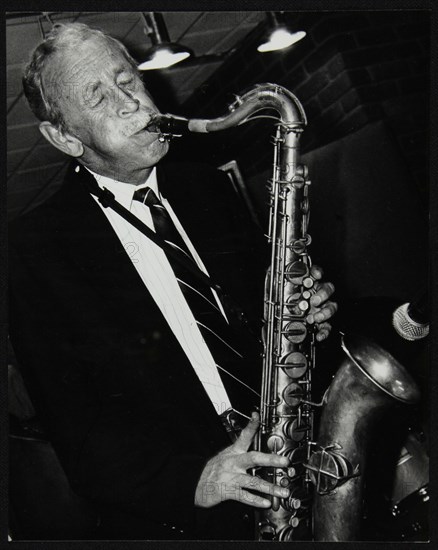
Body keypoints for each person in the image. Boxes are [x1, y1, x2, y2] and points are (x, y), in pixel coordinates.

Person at [8, 23, 337, 540]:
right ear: (64, 137)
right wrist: (195, 479)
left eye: (128, 81)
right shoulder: (35, 251)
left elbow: (259, 319)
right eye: (98, 97)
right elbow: (78, 437)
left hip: (285, 461)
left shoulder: (207, 185)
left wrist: (304, 320)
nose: (132, 104)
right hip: (184, 518)